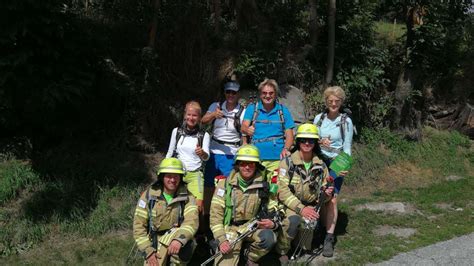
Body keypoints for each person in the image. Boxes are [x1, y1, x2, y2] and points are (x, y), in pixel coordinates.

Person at [209, 144, 280, 265]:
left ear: (257, 165)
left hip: (252, 226)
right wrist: (222, 240)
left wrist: (273, 223)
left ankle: (250, 257)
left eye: (251, 163)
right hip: (230, 229)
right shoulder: (224, 185)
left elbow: (273, 206)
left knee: (269, 237)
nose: (247, 167)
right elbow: (215, 216)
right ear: (237, 164)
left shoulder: (265, 184)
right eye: (243, 163)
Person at [276, 123, 333, 262]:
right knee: (293, 220)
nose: (307, 143)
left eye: (311, 140)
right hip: (291, 205)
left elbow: (324, 194)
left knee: (305, 246)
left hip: (311, 206)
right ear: (298, 141)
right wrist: (302, 210)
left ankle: (299, 244)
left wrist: (327, 194)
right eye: (303, 140)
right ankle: (282, 250)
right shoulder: (287, 163)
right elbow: (282, 191)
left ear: (315, 143)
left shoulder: (321, 164)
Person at [133, 158, 199, 265]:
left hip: (177, 239)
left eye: (176, 176)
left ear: (181, 177)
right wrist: (148, 251)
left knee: (186, 246)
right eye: (169, 176)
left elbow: (191, 222)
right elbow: (138, 226)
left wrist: (179, 240)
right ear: (162, 177)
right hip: (154, 241)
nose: (173, 180)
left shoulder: (188, 197)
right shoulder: (149, 196)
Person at [313, 86, 354, 257]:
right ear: (326, 101)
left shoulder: (346, 121)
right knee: (318, 196)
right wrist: (320, 142)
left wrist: (343, 167)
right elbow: (311, 142)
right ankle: (318, 230)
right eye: (331, 100)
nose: (334, 103)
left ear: (341, 102)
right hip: (319, 160)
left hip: (337, 162)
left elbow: (347, 148)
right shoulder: (319, 119)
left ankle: (329, 238)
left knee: (333, 199)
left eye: (337, 101)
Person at [201, 81, 246, 214]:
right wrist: (214, 115)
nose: (231, 95)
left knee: (227, 186)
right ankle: (207, 215)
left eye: (234, 92)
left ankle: (224, 216)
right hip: (213, 151)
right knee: (208, 185)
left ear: (238, 94)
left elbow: (244, 134)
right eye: (228, 92)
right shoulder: (216, 106)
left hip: (231, 153)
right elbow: (203, 121)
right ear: (224, 93)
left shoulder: (243, 111)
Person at [241, 78, 295, 181]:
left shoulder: (283, 111)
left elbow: (289, 134)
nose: (267, 96)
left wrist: (286, 149)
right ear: (260, 94)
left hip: (277, 159)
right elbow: (243, 126)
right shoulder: (252, 108)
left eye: (271, 93)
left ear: (275, 94)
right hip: (256, 158)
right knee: (256, 190)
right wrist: (247, 130)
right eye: (264, 93)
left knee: (274, 190)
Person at [166, 101, 210, 212]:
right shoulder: (176, 132)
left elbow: (206, 157)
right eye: (189, 114)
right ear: (184, 115)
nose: (191, 118)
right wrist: (163, 172)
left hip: (195, 175)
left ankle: (199, 229)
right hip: (178, 174)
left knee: (198, 207)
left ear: (200, 117)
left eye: (194, 115)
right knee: (176, 205)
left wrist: (202, 153)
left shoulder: (204, 135)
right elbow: (170, 153)